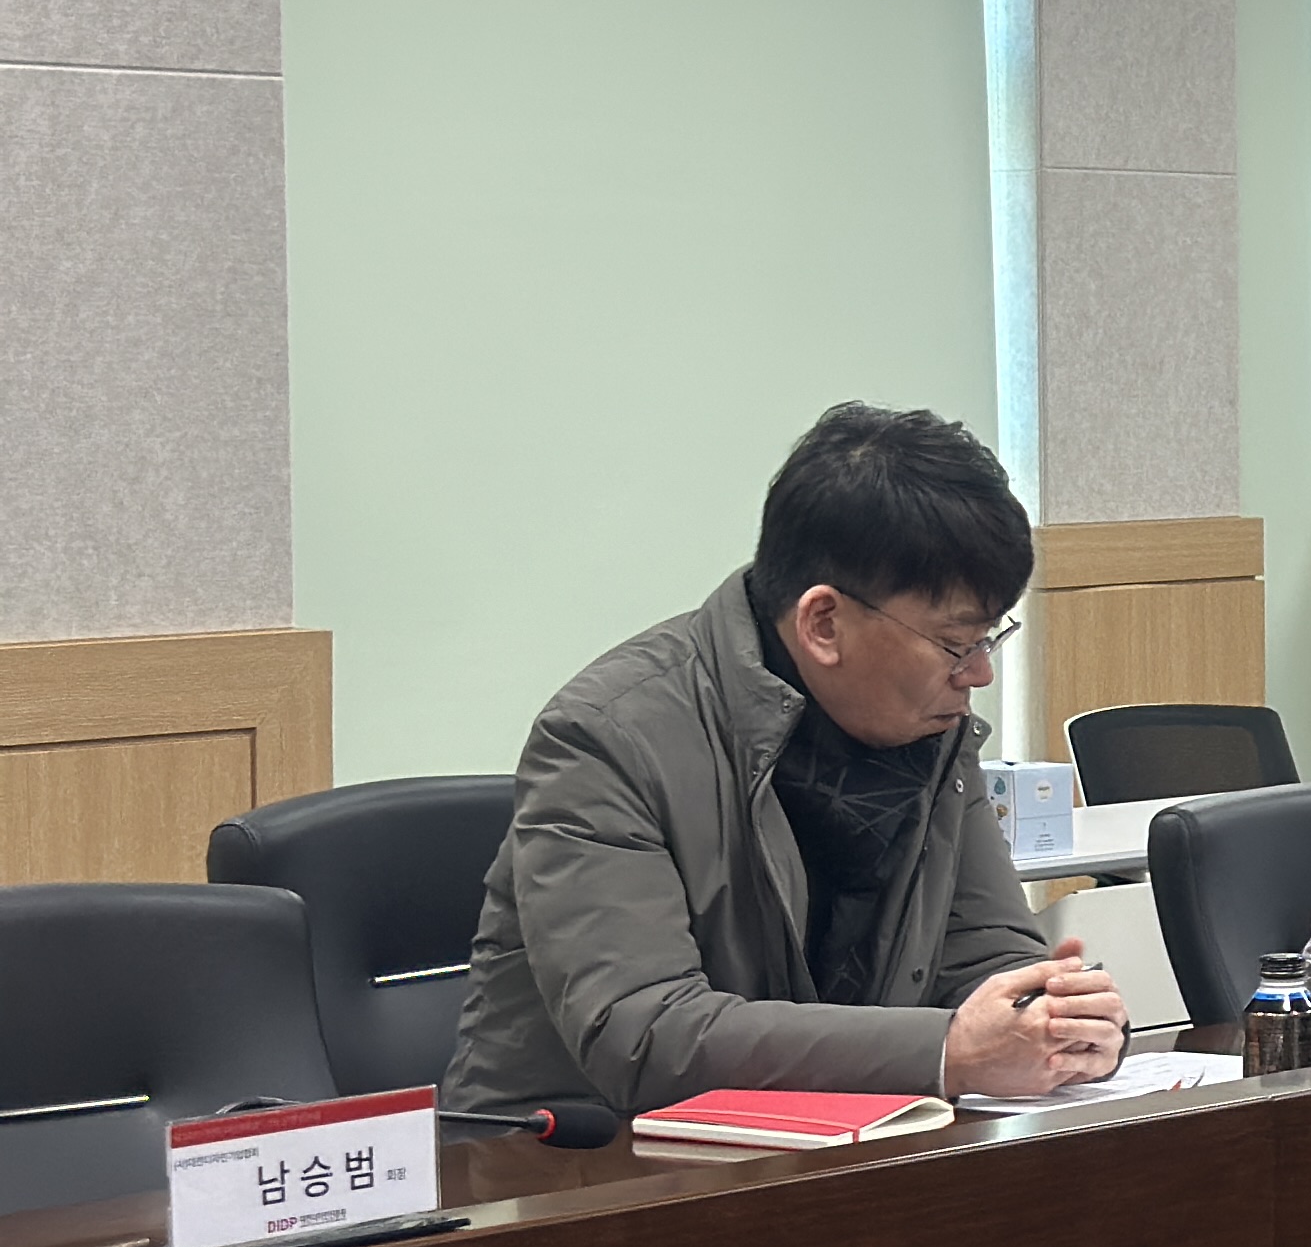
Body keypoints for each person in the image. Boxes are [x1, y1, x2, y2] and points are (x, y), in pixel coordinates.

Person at [446, 403, 1126, 1120]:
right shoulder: (605, 738)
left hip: (834, 1145)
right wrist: (948, 1050)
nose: (980, 673)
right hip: (578, 1159)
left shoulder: (929, 729)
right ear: (823, 623)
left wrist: (1055, 1020)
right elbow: (646, 1034)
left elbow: (985, 952)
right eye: (957, 644)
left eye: (990, 638)